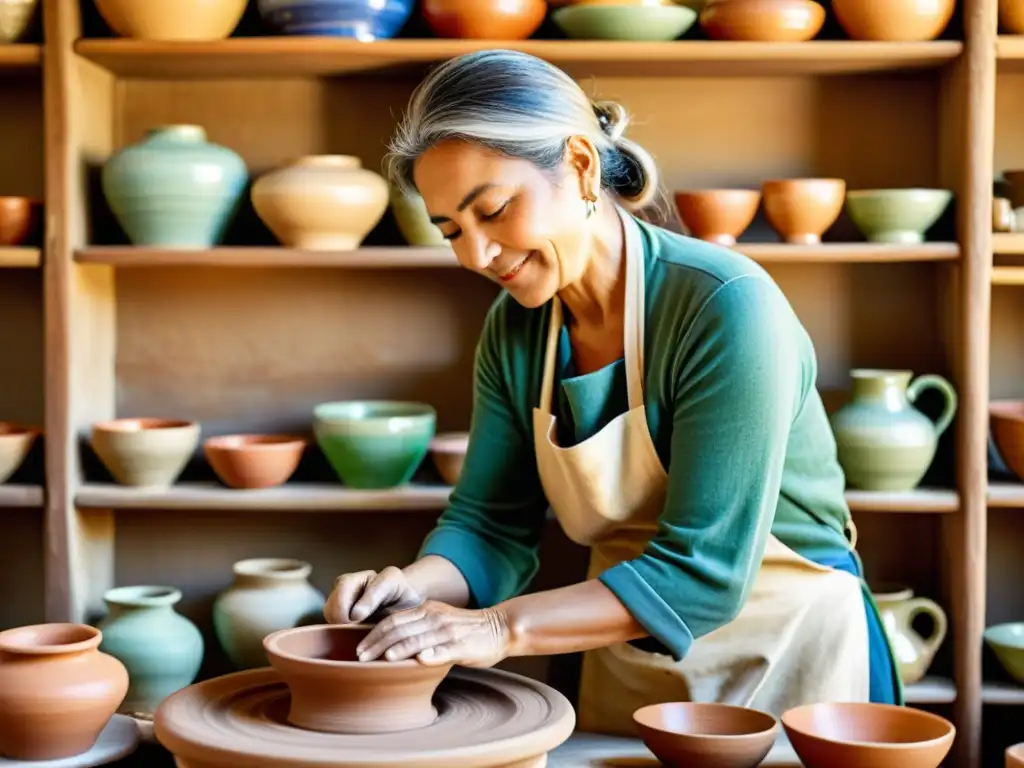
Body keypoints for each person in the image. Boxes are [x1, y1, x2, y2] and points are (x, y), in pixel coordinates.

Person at [325, 49, 901, 734]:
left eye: (495, 210)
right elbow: (490, 524)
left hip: (793, 653)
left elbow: (703, 576)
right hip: (627, 659)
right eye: (451, 229)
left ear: (580, 166)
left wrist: (498, 628)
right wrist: (413, 587)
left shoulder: (726, 306)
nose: (474, 256)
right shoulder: (515, 332)